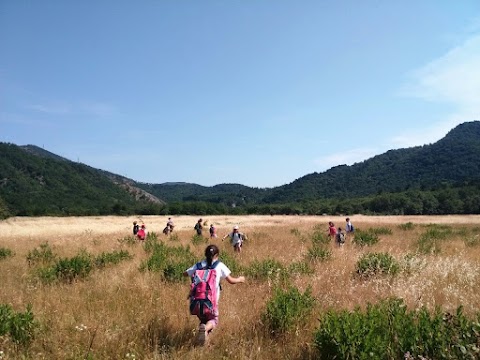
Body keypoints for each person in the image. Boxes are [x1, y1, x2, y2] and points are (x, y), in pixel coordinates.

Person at [184, 245, 245, 346]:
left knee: (204, 320)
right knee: (213, 321)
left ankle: (203, 344)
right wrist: (240, 279)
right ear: (217, 255)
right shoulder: (219, 265)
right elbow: (231, 280)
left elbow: (186, 273)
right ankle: (204, 329)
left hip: (197, 302)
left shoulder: (199, 265)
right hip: (211, 302)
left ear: (205, 254)